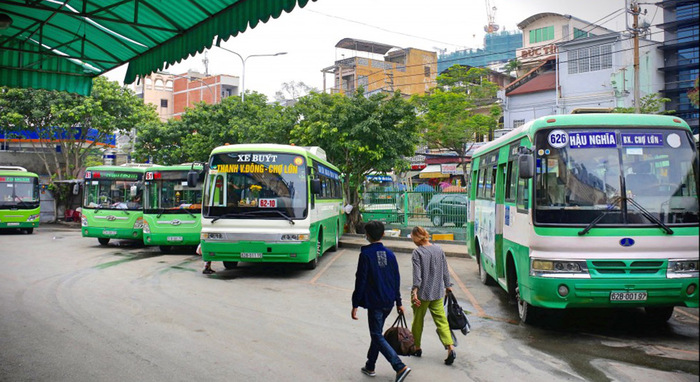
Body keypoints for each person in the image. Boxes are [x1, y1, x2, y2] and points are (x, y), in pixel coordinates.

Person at [351, 221, 411, 382]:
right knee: (377, 334)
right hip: (389, 302)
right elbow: (396, 280)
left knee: (377, 334)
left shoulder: (365, 255)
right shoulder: (390, 255)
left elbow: (361, 280)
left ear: (367, 236)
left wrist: (355, 304)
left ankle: (399, 366)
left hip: (375, 302)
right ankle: (370, 365)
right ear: (383, 234)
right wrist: (398, 302)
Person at [409, 226, 456, 366]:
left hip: (422, 294)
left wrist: (414, 291)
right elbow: (445, 270)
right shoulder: (438, 249)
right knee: (442, 321)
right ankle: (450, 347)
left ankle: (416, 347)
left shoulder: (417, 252)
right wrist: (448, 286)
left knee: (418, 321)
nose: (412, 240)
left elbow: (417, 276)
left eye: (412, 237)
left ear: (417, 237)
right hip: (437, 292)